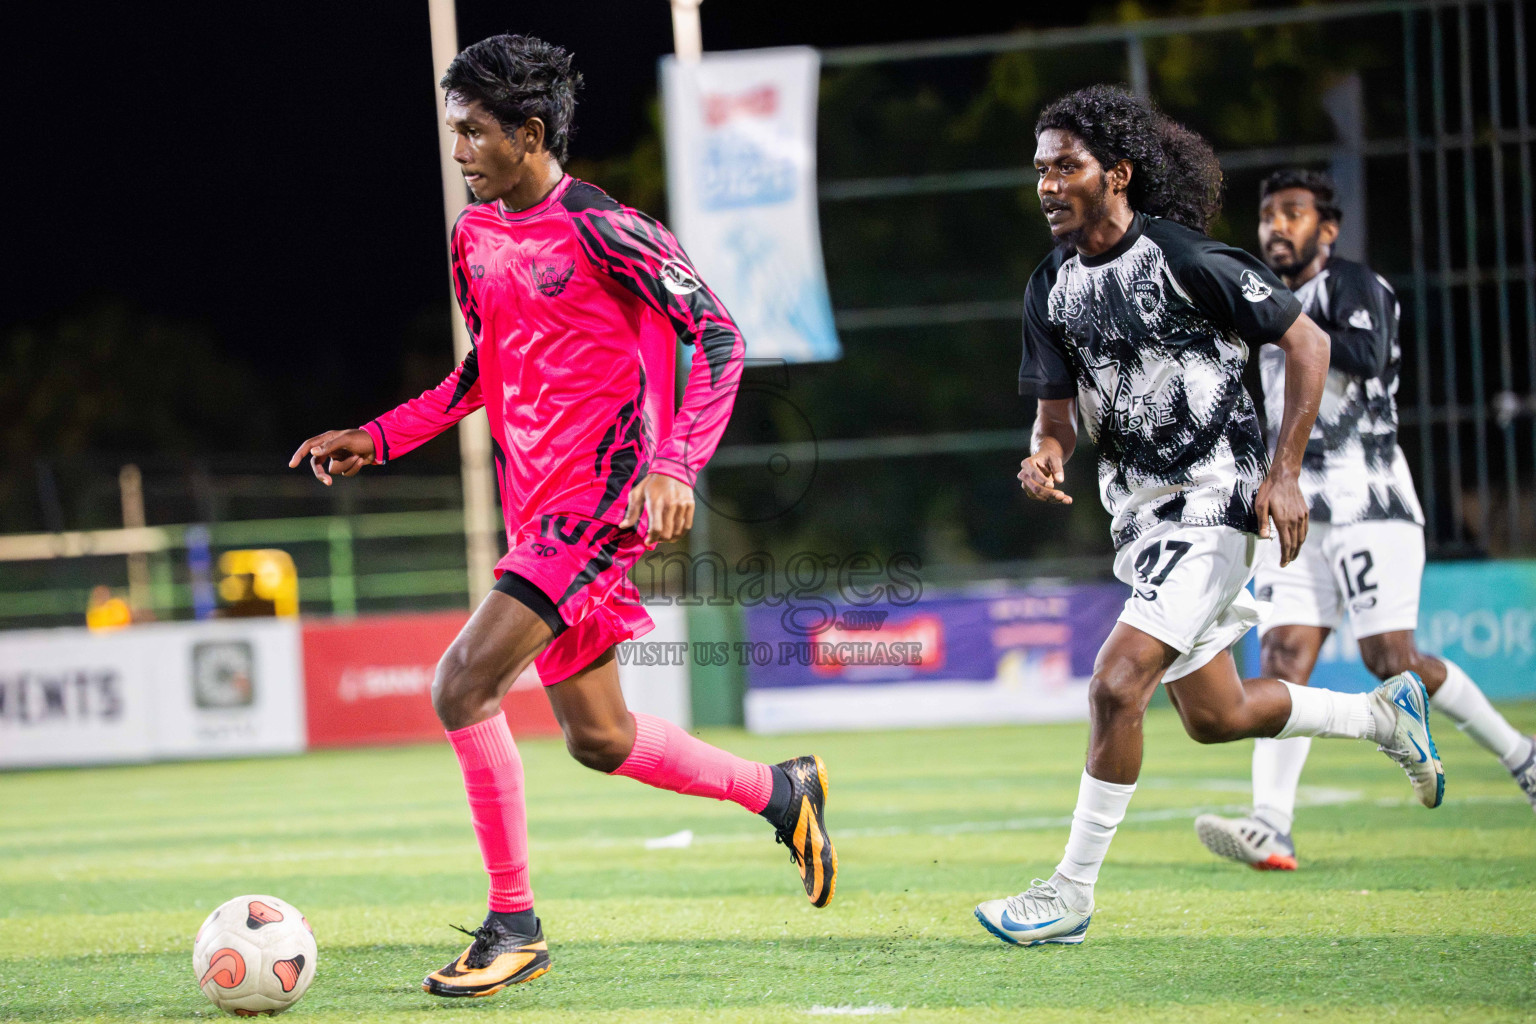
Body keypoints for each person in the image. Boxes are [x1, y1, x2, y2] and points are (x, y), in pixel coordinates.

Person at [288, 34, 835, 996]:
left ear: (529, 134)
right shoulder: (474, 237)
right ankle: (781, 793)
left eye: (472, 132)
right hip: (533, 510)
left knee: (461, 687)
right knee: (601, 739)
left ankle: (514, 926)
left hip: (598, 505)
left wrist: (673, 463)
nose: (457, 150)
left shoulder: (608, 229)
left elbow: (718, 335)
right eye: (453, 130)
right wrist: (376, 436)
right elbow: (480, 373)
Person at [974, 86, 1444, 948]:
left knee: (1116, 685)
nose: (1046, 184)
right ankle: (1382, 715)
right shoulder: (1050, 285)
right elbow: (1053, 419)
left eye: (1065, 166)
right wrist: (1045, 457)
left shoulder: (1190, 258)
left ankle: (1069, 895)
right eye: (1039, 169)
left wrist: (1287, 475)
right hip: (1141, 521)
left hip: (1217, 505)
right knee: (1215, 716)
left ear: (1117, 173)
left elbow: (1307, 342)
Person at [1194, 170, 1536, 871]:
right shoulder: (1266, 307)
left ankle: (1523, 756)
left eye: (1293, 213)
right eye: (1267, 216)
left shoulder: (1354, 286)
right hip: (1295, 511)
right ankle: (1271, 824)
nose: (1275, 228)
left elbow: (1365, 354)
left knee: (1392, 660)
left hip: (1369, 501)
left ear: (1328, 228)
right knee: (1285, 657)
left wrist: (1281, 321)